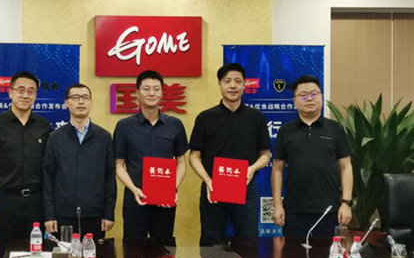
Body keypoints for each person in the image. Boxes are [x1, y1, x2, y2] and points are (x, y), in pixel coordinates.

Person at [0, 71, 52, 258]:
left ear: (35, 95)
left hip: (36, 203)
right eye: (20, 90)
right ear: (10, 93)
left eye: (31, 91)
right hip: (5, 203)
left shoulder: (44, 126)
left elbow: (49, 168)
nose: (25, 95)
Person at [189, 63, 271, 241]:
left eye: (238, 81)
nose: (232, 86)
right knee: (211, 244)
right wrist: (208, 180)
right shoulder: (205, 118)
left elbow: (265, 154)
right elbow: (194, 156)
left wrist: (252, 168)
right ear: (219, 84)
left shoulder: (256, 117)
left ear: (244, 85)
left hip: (245, 189)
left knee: (248, 243)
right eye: (227, 81)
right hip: (213, 189)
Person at [271, 75, 353, 237]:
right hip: (294, 209)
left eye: (314, 94)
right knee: (294, 252)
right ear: (294, 101)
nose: (309, 99)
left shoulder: (335, 129)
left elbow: (346, 167)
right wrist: (277, 205)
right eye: (303, 95)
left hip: (329, 208)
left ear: (321, 97)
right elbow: (277, 169)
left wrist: (346, 203)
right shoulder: (285, 131)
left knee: (327, 253)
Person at [113, 70, 188, 239]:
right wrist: (134, 189)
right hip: (135, 201)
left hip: (165, 202)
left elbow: (182, 163)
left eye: (156, 89)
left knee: (164, 251)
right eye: (146, 89)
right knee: (133, 250)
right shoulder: (124, 126)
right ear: (137, 93)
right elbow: (118, 165)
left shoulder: (175, 124)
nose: (151, 93)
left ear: (162, 93)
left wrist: (172, 188)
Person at [43, 83, 116, 241]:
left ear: (91, 102)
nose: (81, 102)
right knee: (64, 256)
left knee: (94, 256)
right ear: (66, 103)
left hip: (95, 214)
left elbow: (110, 178)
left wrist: (109, 213)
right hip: (63, 214)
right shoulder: (55, 137)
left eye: (85, 98)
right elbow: (48, 178)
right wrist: (49, 215)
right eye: (75, 98)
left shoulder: (104, 137)